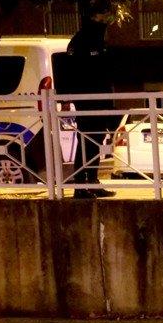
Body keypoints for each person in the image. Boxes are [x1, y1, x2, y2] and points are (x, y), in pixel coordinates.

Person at [65, 12, 119, 198]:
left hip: (101, 99)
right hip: (87, 100)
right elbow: (75, 72)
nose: (102, 22)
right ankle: (80, 185)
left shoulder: (99, 41)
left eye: (104, 18)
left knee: (96, 140)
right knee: (86, 141)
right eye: (98, 18)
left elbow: (107, 71)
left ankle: (93, 182)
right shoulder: (80, 41)